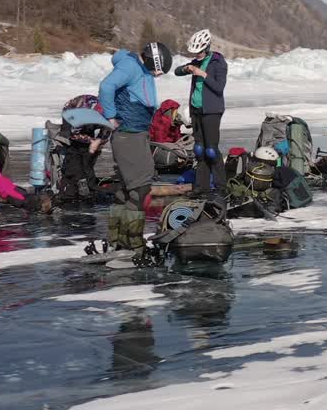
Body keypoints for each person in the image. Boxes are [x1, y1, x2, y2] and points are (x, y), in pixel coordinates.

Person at [91, 41, 172, 261]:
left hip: (134, 134)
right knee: (140, 187)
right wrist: (110, 116)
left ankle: (117, 240)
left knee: (126, 188)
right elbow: (106, 86)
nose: (157, 75)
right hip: (128, 134)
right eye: (158, 70)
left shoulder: (137, 67)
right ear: (153, 61)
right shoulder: (130, 67)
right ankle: (133, 243)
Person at [175, 28, 228, 196]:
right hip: (196, 110)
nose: (196, 55)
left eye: (198, 52)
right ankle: (201, 187)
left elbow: (219, 87)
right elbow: (177, 72)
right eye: (194, 52)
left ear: (206, 47)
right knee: (199, 149)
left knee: (211, 150)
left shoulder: (218, 62)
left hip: (212, 110)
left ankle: (221, 187)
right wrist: (187, 69)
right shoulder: (196, 62)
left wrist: (203, 74)